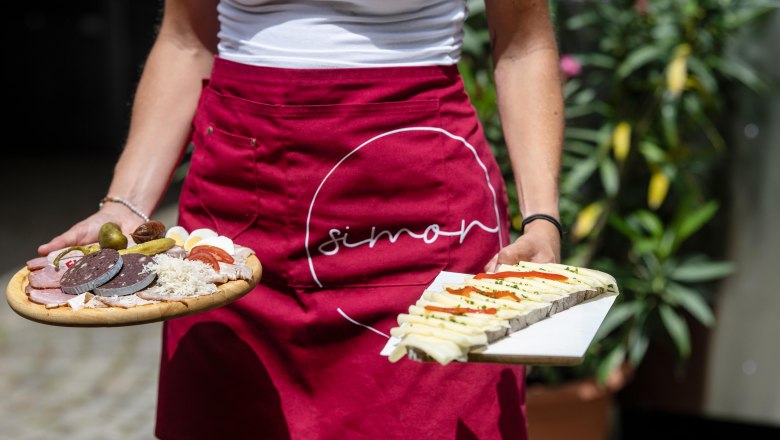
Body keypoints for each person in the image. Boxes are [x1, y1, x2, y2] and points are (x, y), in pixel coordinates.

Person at [39, 0, 563, 438]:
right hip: (233, 229)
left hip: (417, 215)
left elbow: (523, 44)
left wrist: (542, 220)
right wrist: (126, 204)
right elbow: (185, 40)